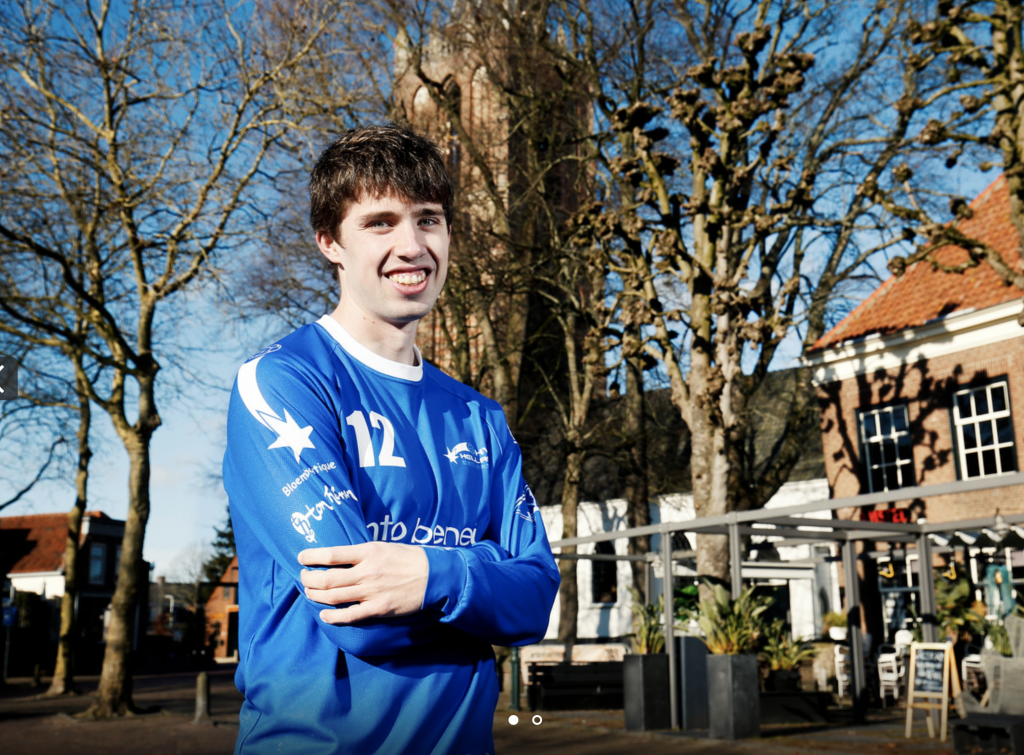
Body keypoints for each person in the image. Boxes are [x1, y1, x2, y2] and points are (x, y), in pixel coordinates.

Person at [222, 123, 560, 755]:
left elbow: (537, 600)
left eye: (428, 219)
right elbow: (361, 621)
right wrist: (487, 580)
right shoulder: (281, 384)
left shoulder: (480, 417)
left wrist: (430, 575)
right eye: (380, 223)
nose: (412, 245)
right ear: (330, 242)